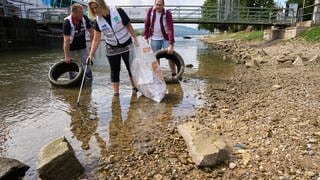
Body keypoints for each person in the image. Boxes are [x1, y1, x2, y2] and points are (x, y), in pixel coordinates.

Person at [87, 0, 139, 96]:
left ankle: (135, 88)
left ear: (101, 5)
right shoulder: (97, 20)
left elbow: (128, 25)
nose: (95, 10)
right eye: (92, 8)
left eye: (96, 7)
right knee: (115, 70)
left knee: (131, 67)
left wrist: (135, 38)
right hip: (111, 47)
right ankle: (116, 94)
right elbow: (96, 39)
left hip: (126, 44)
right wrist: (91, 54)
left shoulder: (118, 11)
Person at [144, 0, 176, 78]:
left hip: (165, 38)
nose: (158, 6)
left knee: (171, 55)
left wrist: (171, 44)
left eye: (160, 5)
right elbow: (147, 24)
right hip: (154, 38)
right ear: (155, 4)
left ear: (163, 5)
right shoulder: (150, 11)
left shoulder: (167, 13)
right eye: (157, 5)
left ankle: (174, 74)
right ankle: (157, 76)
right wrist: (146, 38)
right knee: (156, 57)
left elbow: (170, 28)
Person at [63, 3, 94, 81]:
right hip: (71, 46)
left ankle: (89, 78)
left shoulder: (84, 18)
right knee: (69, 63)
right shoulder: (67, 22)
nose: (82, 14)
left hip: (82, 45)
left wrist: (91, 46)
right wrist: (67, 56)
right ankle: (71, 80)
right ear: (74, 13)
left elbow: (92, 32)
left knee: (86, 61)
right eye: (81, 12)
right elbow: (66, 41)